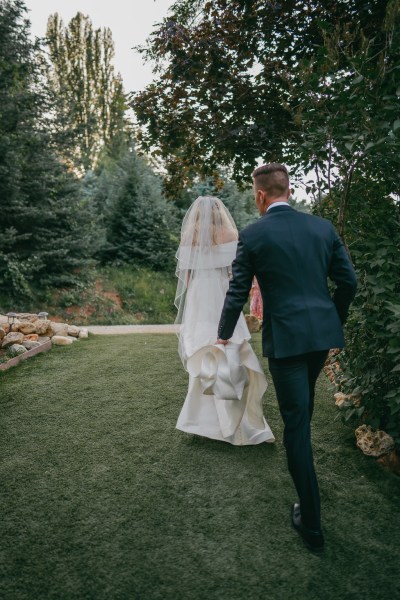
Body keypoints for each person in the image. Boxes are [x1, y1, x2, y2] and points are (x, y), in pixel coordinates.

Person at [217, 164, 357, 552]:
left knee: (296, 423)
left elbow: (237, 291)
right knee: (303, 409)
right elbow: (349, 282)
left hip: (289, 342)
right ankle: (309, 501)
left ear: (260, 195)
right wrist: (333, 319)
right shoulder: (322, 228)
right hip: (320, 338)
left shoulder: (254, 234)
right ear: (289, 190)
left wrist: (223, 334)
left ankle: (310, 523)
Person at [174, 196, 275, 446]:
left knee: (203, 350)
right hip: (222, 293)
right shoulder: (230, 234)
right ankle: (238, 420)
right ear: (221, 213)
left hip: (199, 296)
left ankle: (202, 422)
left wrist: (200, 283)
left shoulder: (189, 237)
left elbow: (186, 279)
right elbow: (238, 273)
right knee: (231, 350)